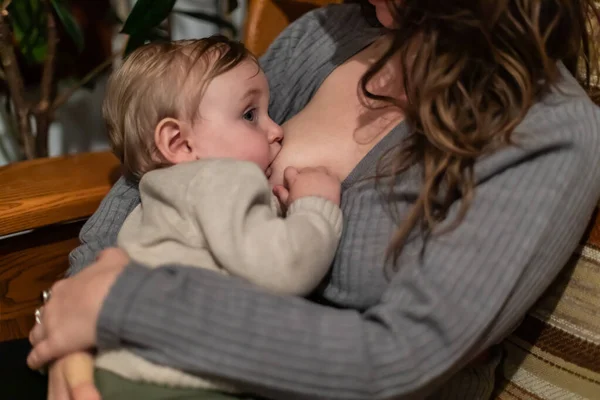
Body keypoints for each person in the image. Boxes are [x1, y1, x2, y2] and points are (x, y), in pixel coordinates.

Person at [28, 0, 600, 399]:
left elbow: (403, 358)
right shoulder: (328, 36)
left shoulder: (546, 130)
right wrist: (73, 341)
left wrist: (129, 308)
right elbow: (151, 186)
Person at [70, 35, 343, 398]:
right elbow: (285, 269)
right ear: (180, 143)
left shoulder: (154, 198)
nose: (277, 130)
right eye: (250, 115)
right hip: (185, 381)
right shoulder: (223, 177)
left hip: (118, 371)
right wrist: (315, 206)